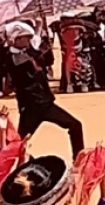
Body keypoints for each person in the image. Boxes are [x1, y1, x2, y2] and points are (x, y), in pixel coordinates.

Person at [5, 21, 84, 157]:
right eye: (26, 37)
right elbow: (23, 62)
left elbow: (45, 61)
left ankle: (78, 160)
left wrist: (46, 43)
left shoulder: (30, 51)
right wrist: (38, 46)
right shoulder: (12, 56)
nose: (29, 40)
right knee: (17, 142)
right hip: (30, 106)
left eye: (30, 37)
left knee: (75, 125)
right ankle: (2, 164)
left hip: (45, 102)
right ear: (16, 40)